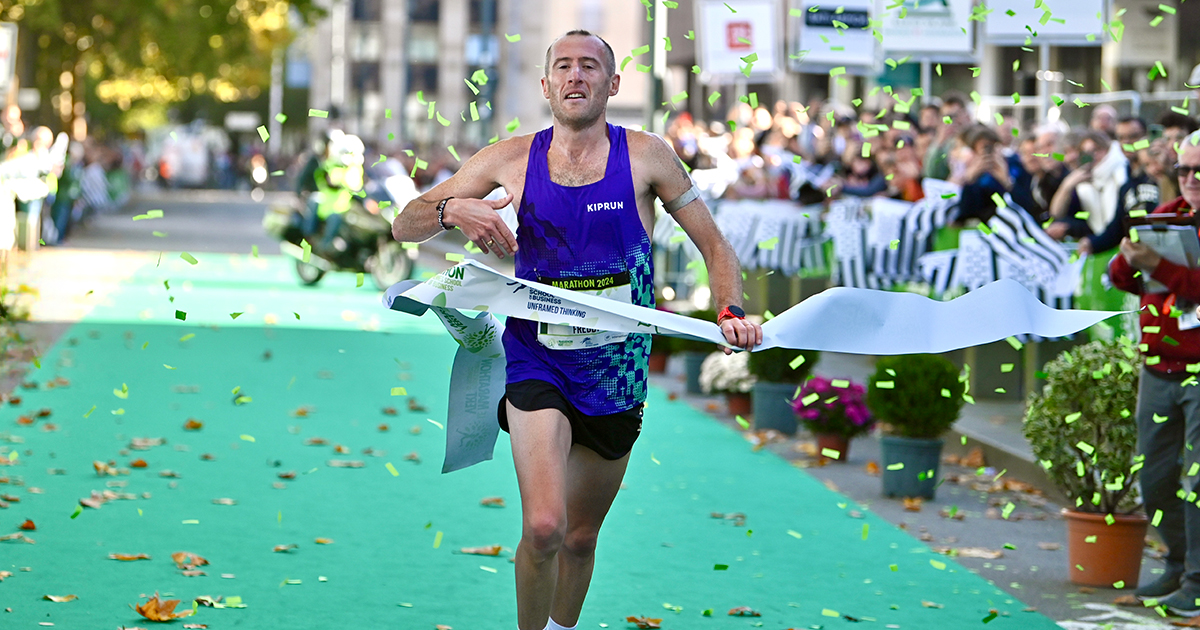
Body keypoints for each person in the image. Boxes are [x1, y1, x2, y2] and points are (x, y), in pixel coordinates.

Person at [391, 30, 762, 630]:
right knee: (544, 527)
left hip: (617, 373)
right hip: (537, 358)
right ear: (545, 85)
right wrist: (449, 209)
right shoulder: (510, 158)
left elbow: (715, 245)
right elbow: (402, 225)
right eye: (562, 66)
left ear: (612, 85)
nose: (575, 75)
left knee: (580, 540)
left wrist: (729, 310)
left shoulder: (647, 156)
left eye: (590, 66)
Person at [1110, 129, 1200, 617]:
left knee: (1199, 479)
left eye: (1197, 171)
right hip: (1160, 364)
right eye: (1181, 170)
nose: (1188, 179)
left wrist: (1161, 266)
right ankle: (1178, 560)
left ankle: (1199, 579)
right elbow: (1121, 279)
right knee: (1157, 476)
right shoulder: (1166, 217)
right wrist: (1130, 257)